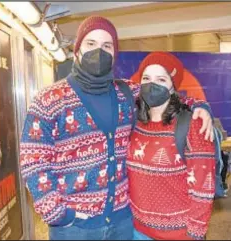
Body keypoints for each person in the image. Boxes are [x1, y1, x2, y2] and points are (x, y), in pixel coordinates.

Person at [19, 16, 214, 240]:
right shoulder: (49, 100)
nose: (99, 51)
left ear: (115, 54)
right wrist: (59, 214)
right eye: (91, 44)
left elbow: (164, 93)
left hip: (123, 222)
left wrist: (200, 106)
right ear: (78, 49)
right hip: (75, 227)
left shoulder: (126, 93)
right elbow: (33, 162)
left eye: (107, 46)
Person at [127, 52, 216, 240]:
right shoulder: (133, 120)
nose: (152, 85)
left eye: (161, 79)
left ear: (173, 86)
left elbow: (203, 189)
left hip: (179, 234)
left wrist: (195, 234)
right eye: (146, 78)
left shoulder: (193, 125)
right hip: (137, 231)